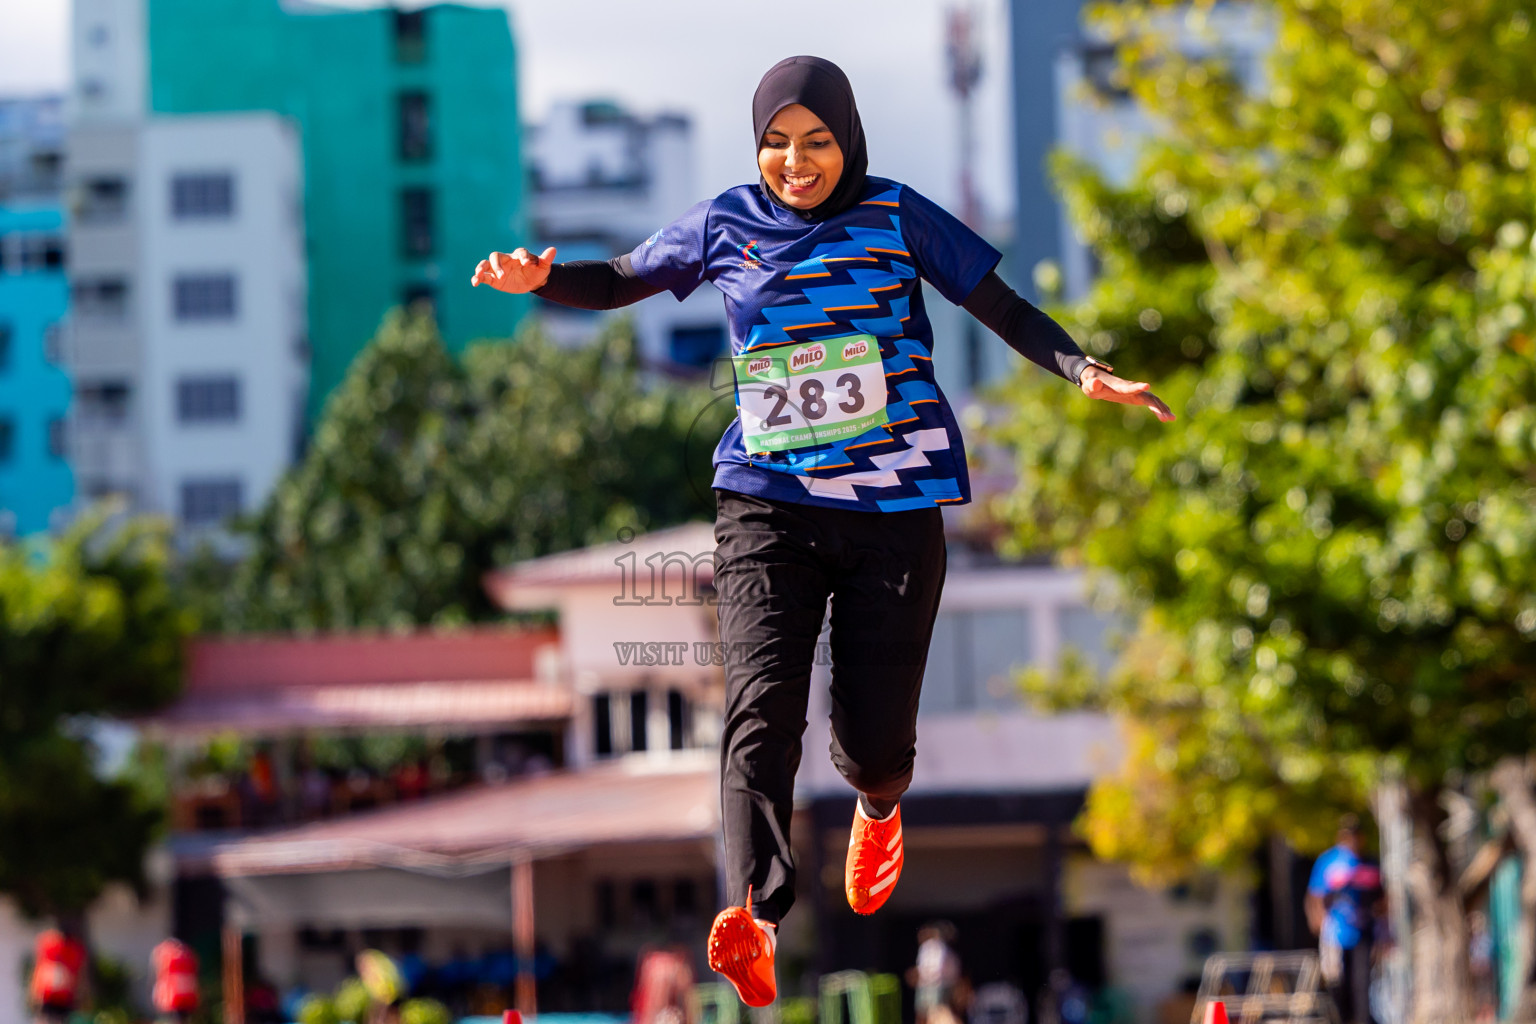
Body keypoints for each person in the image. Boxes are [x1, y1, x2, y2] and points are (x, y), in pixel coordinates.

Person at [473, 55, 1174, 1006]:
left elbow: (1000, 306)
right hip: (766, 501)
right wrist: (543, 279)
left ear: (848, 140)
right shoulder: (724, 224)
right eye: (776, 144)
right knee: (759, 706)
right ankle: (754, 916)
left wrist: (1083, 370)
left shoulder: (896, 214)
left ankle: (879, 805)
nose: (795, 162)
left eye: (816, 142)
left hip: (894, 506)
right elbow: (624, 279)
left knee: (874, 739)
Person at [1306, 816, 1381, 1024]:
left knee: (1362, 982)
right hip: (1336, 933)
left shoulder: (1370, 862)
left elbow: (1382, 897)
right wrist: (1319, 922)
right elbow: (1315, 895)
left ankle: (1362, 1020)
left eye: (1356, 835)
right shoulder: (1329, 861)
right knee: (1337, 982)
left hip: (1364, 931)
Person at [908, 921, 962, 1024]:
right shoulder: (925, 947)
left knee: (937, 1013)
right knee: (922, 1013)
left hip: (938, 986)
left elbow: (940, 969)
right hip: (924, 985)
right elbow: (921, 966)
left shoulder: (943, 948)